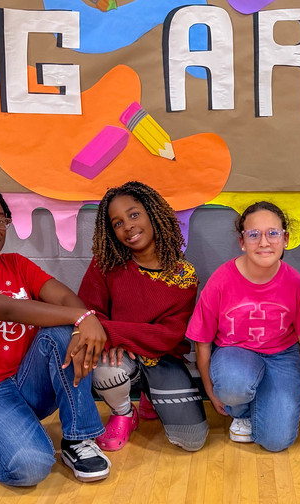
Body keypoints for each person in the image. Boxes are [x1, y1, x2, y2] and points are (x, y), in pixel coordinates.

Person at [0, 186, 111, 486]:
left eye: (0, 219)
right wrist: (85, 317)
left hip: (29, 382)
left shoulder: (17, 264)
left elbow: (65, 299)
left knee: (65, 332)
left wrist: (83, 319)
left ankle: (77, 439)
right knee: (31, 468)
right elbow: (11, 310)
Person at [78, 181, 208, 453]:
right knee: (106, 368)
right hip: (117, 353)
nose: (127, 226)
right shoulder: (106, 263)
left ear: (152, 213)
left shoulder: (184, 275)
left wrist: (114, 333)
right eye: (117, 223)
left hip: (163, 358)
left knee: (192, 441)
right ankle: (124, 412)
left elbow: (169, 335)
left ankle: (152, 397)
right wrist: (112, 339)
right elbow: (90, 314)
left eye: (134, 214)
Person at [186, 201, 300, 452]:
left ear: (286, 239)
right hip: (235, 354)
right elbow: (201, 341)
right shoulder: (221, 281)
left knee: (276, 442)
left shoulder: (297, 284)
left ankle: (265, 403)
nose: (264, 242)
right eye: (254, 235)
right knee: (234, 386)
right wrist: (211, 392)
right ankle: (242, 411)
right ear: (242, 242)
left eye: (273, 233)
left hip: (282, 357)